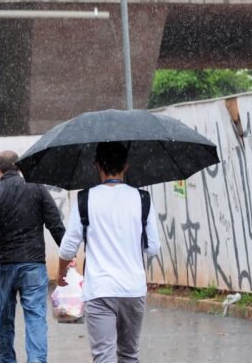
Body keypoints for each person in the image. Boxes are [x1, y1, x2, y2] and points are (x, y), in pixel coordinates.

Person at [57, 142, 160, 363]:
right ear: (126, 166)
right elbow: (153, 247)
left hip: (100, 290)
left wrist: (60, 273)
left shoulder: (84, 199)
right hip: (133, 290)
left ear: (97, 166)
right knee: (129, 355)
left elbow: (68, 247)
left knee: (103, 357)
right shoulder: (143, 199)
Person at [0, 150, 65, 363]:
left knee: (5, 319)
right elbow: (55, 224)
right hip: (33, 265)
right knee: (35, 318)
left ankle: (7, 360)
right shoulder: (37, 189)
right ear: (20, 167)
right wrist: (67, 254)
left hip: (5, 265)